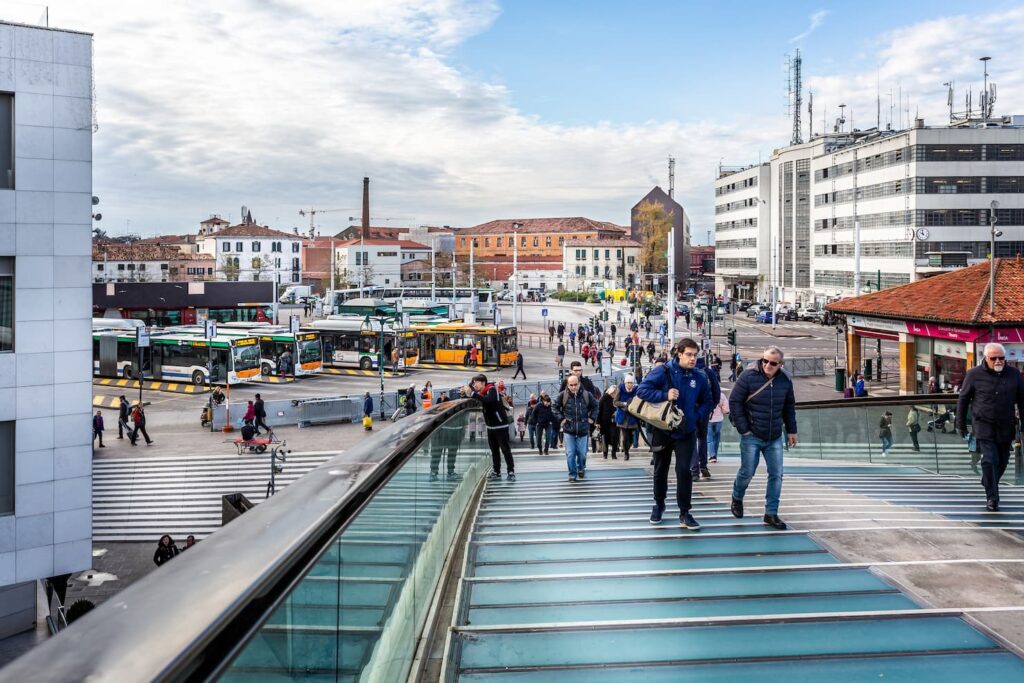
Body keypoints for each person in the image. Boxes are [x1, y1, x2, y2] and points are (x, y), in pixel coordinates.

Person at [637, 338, 714, 529]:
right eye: (689, 354)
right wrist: (665, 395)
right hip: (663, 429)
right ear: (679, 353)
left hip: (686, 431)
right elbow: (642, 390)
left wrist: (695, 416)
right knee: (660, 470)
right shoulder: (663, 371)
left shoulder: (698, 377)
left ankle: (685, 512)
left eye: (695, 355)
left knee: (684, 471)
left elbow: (708, 401)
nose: (693, 358)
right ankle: (659, 504)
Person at [728, 346, 798, 530]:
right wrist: (744, 429)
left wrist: (792, 430)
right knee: (747, 472)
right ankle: (737, 498)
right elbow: (734, 401)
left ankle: (771, 513)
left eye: (772, 363)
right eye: (764, 360)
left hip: (774, 435)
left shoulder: (785, 380)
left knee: (776, 474)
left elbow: (789, 406)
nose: (767, 365)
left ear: (780, 364)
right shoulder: (748, 376)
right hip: (752, 434)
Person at [956, 342, 1024, 511]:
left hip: (1006, 426)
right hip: (983, 425)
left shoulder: (1014, 374)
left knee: (1002, 462)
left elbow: (1022, 401)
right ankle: (992, 498)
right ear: (986, 358)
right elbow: (963, 400)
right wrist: (960, 424)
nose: (999, 361)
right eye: (994, 358)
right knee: (989, 460)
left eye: (1002, 358)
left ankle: (988, 481)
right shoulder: (973, 374)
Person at [464, 374, 515, 481]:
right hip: (490, 426)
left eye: (476, 383)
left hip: (500, 425)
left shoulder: (492, 390)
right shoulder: (481, 392)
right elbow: (476, 394)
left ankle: (511, 471)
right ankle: (497, 472)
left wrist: (473, 393)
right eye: (474, 383)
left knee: (505, 449)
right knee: (494, 450)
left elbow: (488, 400)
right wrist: (469, 389)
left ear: (483, 383)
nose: (474, 385)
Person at [553, 373, 599, 481]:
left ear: (579, 384)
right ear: (568, 385)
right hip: (569, 429)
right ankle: (572, 474)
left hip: (583, 429)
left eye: (575, 384)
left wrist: (592, 417)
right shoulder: (563, 395)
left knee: (582, 453)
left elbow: (596, 405)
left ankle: (581, 468)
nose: (574, 387)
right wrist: (561, 419)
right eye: (571, 385)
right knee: (570, 453)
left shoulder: (586, 394)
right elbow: (554, 407)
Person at [691, 359, 720, 482]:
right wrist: (711, 407)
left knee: (691, 438)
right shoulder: (708, 371)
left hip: (690, 409)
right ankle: (703, 466)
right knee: (702, 438)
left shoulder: (687, 370)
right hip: (704, 410)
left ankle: (694, 470)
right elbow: (716, 391)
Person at [614, 374, 639, 461]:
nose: (629, 384)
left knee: (631, 438)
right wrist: (624, 404)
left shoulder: (636, 391)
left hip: (632, 417)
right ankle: (626, 453)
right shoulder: (620, 390)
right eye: (628, 382)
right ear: (625, 383)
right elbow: (615, 402)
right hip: (623, 417)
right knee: (625, 437)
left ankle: (627, 448)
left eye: (631, 383)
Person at [708, 389, 729, 463]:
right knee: (716, 438)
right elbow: (726, 410)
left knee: (709, 439)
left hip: (708, 420)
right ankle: (715, 455)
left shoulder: (706, 393)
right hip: (719, 419)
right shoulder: (721, 395)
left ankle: (712, 456)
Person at [598, 385, 619, 460]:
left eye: (616, 392)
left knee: (615, 438)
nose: (614, 394)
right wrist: (598, 422)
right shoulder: (604, 399)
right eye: (613, 392)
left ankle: (614, 453)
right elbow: (599, 411)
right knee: (605, 438)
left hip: (615, 422)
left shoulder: (617, 399)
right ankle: (605, 454)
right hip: (604, 422)